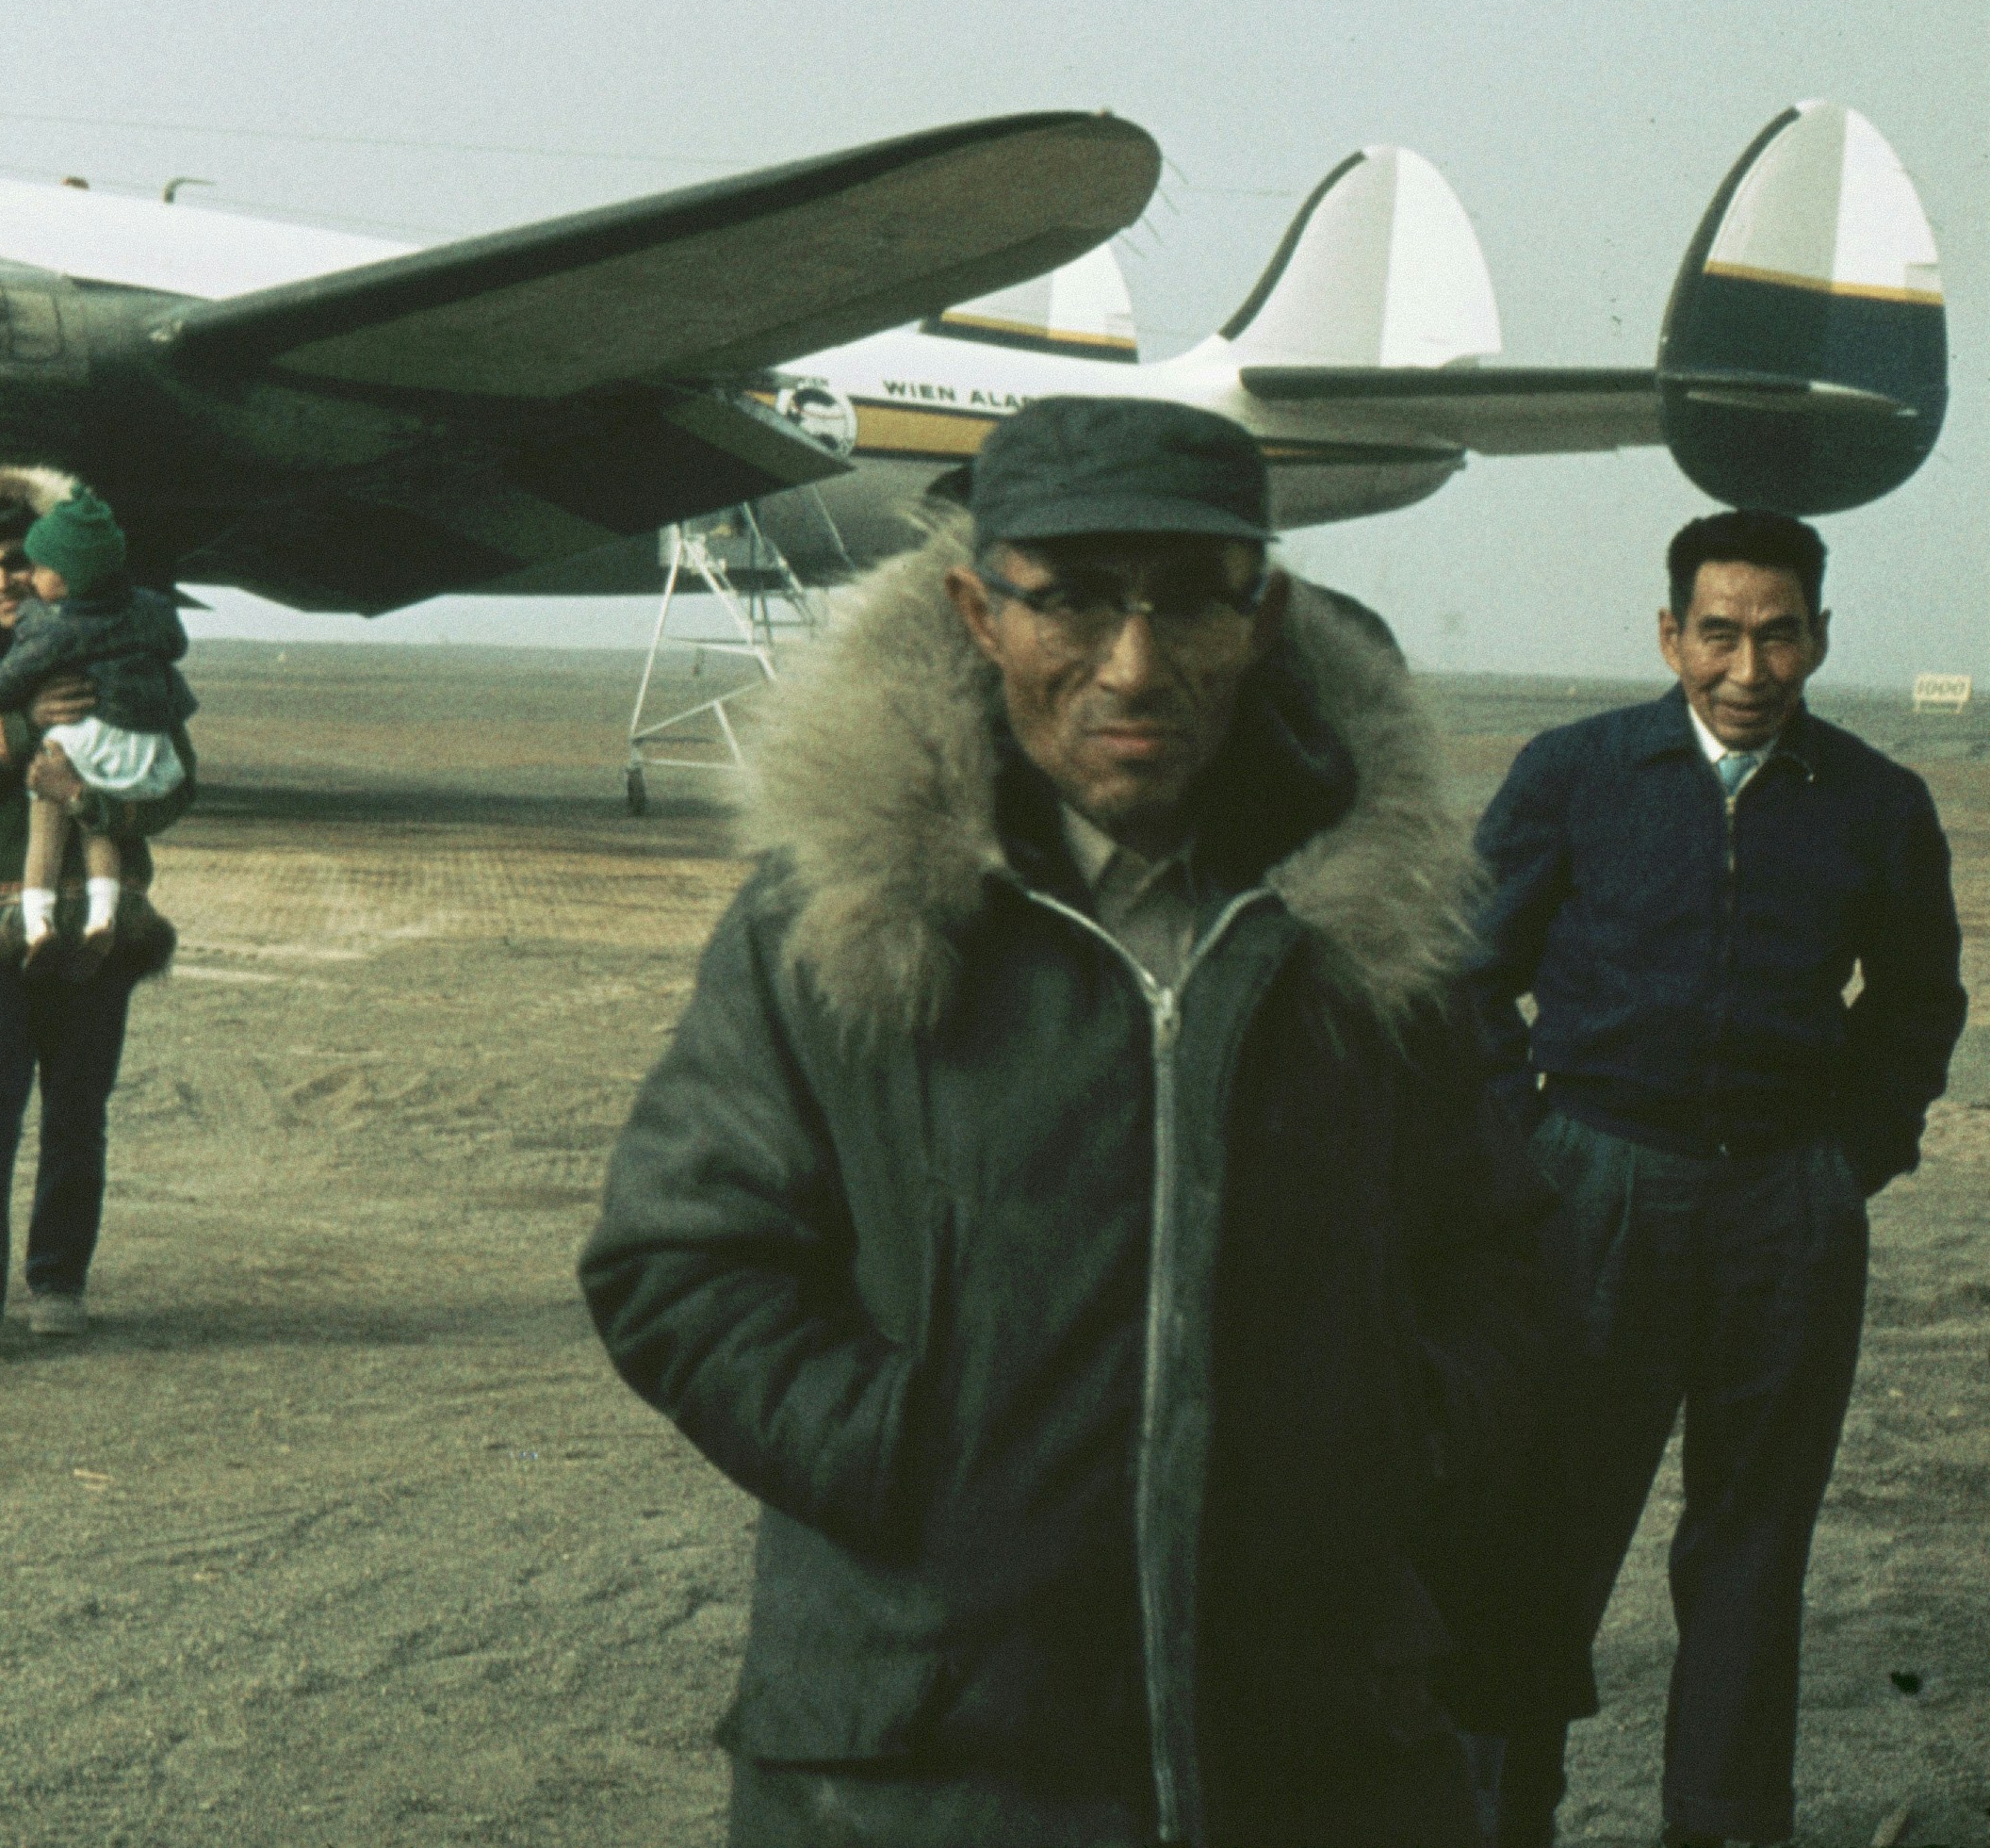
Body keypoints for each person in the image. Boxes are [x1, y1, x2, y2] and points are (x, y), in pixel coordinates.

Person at [579, 397, 1559, 1848]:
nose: (1133, 662)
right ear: (978, 608)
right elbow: (675, 1259)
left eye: (1186, 601)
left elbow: (1501, 1256)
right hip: (922, 1752)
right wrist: (903, 1447)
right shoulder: (834, 919)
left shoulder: (1365, 937)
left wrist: (1380, 1432)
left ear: (1264, 609)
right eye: (1075, 598)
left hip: (1305, 1748)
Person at [1460, 510, 1965, 1848]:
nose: (1747, 668)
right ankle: (1497, 1811)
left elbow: (1916, 1003)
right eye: (1719, 632)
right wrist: (1531, 1149)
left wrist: (1843, 1161)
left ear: (1815, 635)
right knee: (1537, 1532)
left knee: (1748, 1545)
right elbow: (1455, 976)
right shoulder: (1576, 773)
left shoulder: (1873, 800)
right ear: (1668, 632)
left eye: (1778, 631)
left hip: (1783, 1215)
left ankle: (1724, 1821)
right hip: (1591, 1197)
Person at [0, 466, 193, 1343]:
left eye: (13, 561)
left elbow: (177, 779)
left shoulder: (122, 654)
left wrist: (95, 804)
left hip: (97, 924)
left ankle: (58, 1282)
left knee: (77, 1105)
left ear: (45, 569)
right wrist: (22, 724)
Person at [0, 488, 194, 964]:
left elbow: (180, 796)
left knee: (49, 819)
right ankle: (100, 918)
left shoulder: (51, 631)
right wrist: (25, 723)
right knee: (94, 826)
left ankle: (41, 924)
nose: (10, 581)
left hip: (75, 759)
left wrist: (77, 795)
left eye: (23, 563)